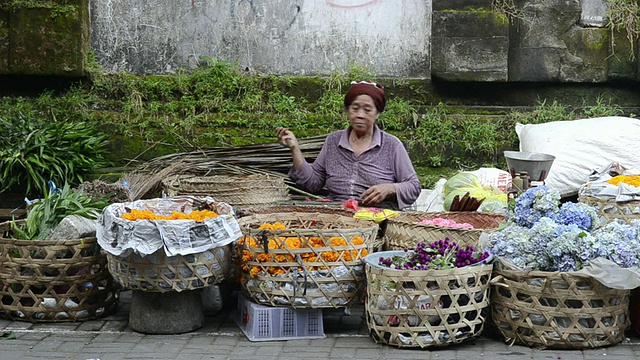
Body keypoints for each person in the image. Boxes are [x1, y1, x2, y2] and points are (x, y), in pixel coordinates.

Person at [276, 80, 422, 210]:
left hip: (377, 218)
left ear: (377, 113)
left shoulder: (391, 145)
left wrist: (390, 188)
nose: (360, 114)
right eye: (355, 108)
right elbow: (313, 183)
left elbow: (414, 186)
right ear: (348, 110)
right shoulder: (333, 141)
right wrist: (295, 149)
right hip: (336, 216)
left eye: (367, 110)